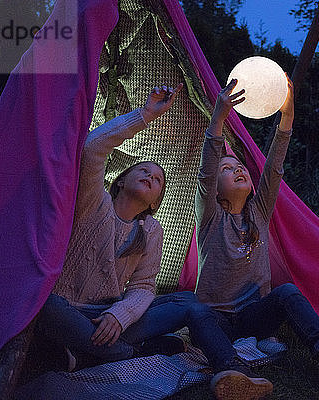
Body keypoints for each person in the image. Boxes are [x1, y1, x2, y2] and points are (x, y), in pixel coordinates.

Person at [37, 84, 241, 379]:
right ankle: (133, 354)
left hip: (109, 318)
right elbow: (93, 149)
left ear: (156, 200)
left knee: (188, 302)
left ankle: (232, 369)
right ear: (120, 181)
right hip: (68, 311)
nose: (150, 175)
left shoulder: (150, 231)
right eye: (143, 170)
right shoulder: (94, 202)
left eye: (157, 179)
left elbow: (144, 286)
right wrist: (145, 114)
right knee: (44, 302)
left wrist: (120, 316)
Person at [194, 76, 319, 397]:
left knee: (288, 292)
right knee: (196, 314)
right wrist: (218, 120)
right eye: (227, 169)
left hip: (254, 317)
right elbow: (206, 172)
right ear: (216, 189)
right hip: (216, 318)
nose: (237, 169)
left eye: (240, 167)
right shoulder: (210, 216)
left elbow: (274, 166)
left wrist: (287, 116)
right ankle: (233, 370)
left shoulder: (259, 211)